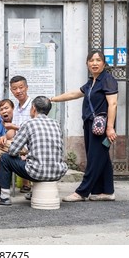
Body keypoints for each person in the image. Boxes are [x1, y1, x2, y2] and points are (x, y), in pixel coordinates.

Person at [51, 50, 118, 202]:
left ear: (103, 63)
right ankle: (107, 191)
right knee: (102, 157)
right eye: (91, 60)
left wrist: (110, 127)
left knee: (94, 158)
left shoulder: (108, 79)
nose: (94, 63)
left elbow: (112, 104)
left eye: (98, 60)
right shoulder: (91, 82)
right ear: (87, 63)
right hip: (90, 125)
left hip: (102, 127)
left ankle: (82, 192)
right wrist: (53, 99)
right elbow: (74, 94)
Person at [0, 96, 68, 206]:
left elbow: (13, 151)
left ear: (33, 108)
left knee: (5, 158)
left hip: (36, 172)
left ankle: (4, 197)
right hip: (58, 171)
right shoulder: (56, 124)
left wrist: (23, 157)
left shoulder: (29, 124)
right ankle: (35, 191)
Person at [6, 75, 33, 193]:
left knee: (1, 154)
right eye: (15, 89)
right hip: (18, 143)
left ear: (26, 87)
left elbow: (35, 128)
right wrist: (4, 136)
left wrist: (13, 127)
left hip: (31, 143)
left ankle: (2, 188)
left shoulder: (33, 105)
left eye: (21, 87)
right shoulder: (15, 108)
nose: (18, 91)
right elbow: (13, 132)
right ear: (11, 91)